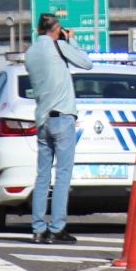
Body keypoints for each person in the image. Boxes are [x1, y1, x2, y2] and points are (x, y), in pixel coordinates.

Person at [24, 13, 90, 244]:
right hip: (62, 117)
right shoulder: (59, 46)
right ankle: (57, 228)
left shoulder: (30, 53)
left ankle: (38, 229)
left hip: (42, 119)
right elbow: (86, 63)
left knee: (42, 175)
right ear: (57, 29)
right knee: (62, 175)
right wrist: (70, 40)